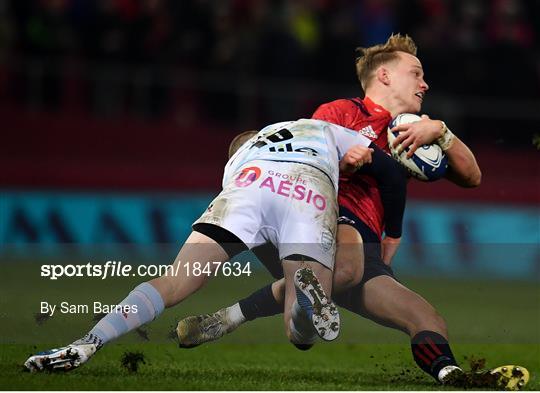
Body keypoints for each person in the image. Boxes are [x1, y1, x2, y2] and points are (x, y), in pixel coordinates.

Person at [175, 34, 527, 390]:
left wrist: (442, 131)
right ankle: (266, 311)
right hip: (321, 224)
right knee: (344, 268)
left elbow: (473, 177)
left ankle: (455, 377)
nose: (425, 83)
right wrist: (349, 161)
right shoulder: (339, 113)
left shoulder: (413, 132)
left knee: (426, 318)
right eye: (416, 73)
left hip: (365, 250)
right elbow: (306, 166)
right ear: (386, 76)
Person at [24, 117, 408, 372]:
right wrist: (393, 233)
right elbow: (388, 169)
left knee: (173, 282)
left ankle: (87, 342)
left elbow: (255, 235)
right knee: (300, 331)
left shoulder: (237, 161)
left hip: (248, 185)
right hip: (308, 187)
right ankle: (304, 307)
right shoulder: (318, 127)